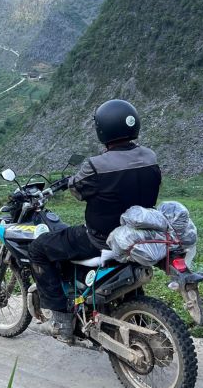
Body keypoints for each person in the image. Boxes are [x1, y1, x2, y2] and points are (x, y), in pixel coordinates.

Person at [29, 99, 162, 341]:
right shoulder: (150, 156)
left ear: (103, 129)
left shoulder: (96, 165)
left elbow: (78, 190)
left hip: (100, 238)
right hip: (139, 233)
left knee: (39, 248)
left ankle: (61, 321)